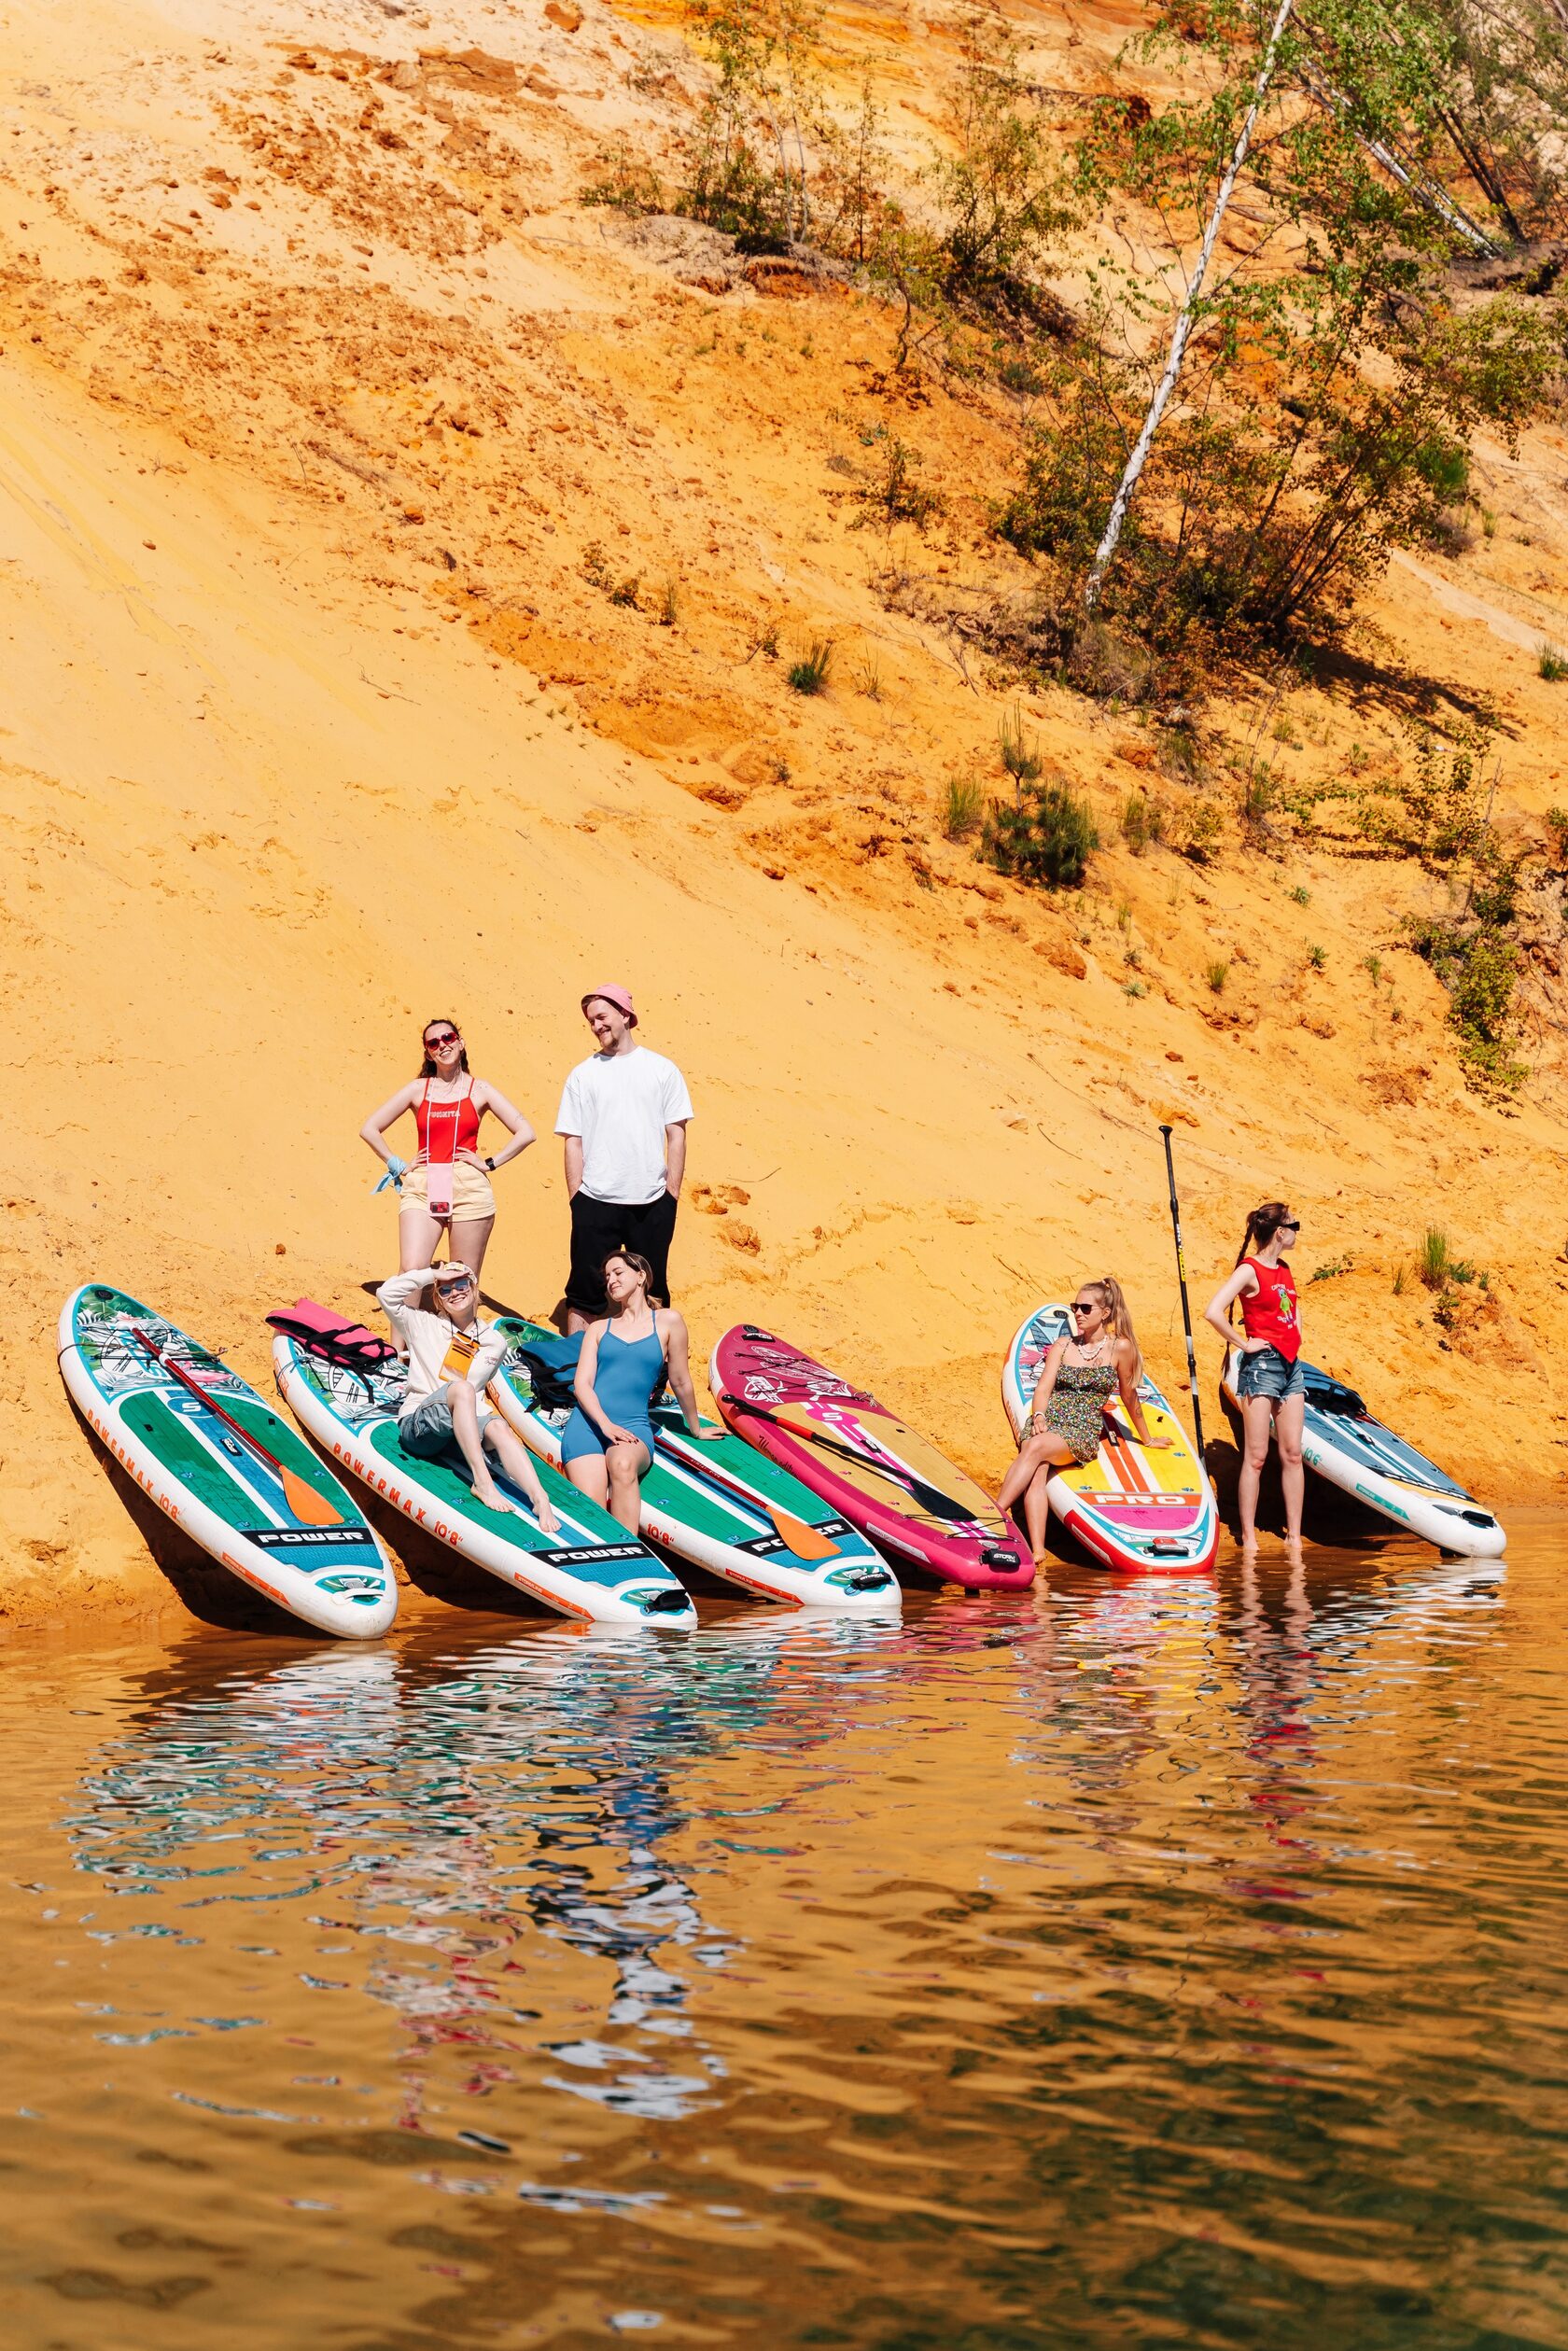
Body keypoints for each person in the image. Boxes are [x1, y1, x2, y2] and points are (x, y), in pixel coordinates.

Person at [997, 1278, 1168, 1564]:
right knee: (1037, 1468)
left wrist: (1147, 1438)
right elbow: (1043, 1388)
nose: (1077, 1313)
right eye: (1076, 1306)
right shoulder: (1063, 1345)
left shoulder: (1120, 1348)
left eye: (1085, 1308)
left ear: (1105, 1313)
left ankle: (995, 1514)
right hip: (1049, 1419)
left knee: (1036, 1449)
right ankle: (1038, 1551)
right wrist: (1038, 1415)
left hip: (1081, 1428)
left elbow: (1130, 1397)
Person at [377, 1260, 558, 1529]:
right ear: (438, 1300)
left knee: (497, 1425)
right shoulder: (420, 1324)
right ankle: (482, 1482)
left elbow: (474, 1388)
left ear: (475, 1289)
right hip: (420, 1425)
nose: (455, 1293)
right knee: (460, 1389)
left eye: (462, 1284)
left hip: (459, 1430)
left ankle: (540, 1499)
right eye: (445, 1290)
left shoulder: (492, 1341)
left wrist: (488, 1428)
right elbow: (386, 1294)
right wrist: (433, 1274)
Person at [555, 987, 693, 1332]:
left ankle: (651, 1372)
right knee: (584, 1292)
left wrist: (671, 1195)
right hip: (595, 1200)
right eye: (590, 1021)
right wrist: (577, 1198)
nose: (595, 1025)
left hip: (651, 1203)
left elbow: (676, 1134)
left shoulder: (662, 1069)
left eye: (602, 1016)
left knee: (652, 1291)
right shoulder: (583, 1074)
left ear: (625, 1015)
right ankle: (575, 1369)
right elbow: (573, 1139)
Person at [360, 1017, 537, 1281]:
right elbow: (370, 1128)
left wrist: (489, 1163)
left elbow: (526, 1132)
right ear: (428, 1053)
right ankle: (406, 1321)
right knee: (410, 1271)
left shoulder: (481, 1090)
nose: (442, 1045)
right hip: (424, 1183)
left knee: (462, 1278)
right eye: (433, 1043)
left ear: (460, 1043)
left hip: (468, 1186)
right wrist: (398, 1165)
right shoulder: (418, 1089)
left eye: (448, 1038)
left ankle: (455, 1322)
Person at [560, 1250, 720, 1531]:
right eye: (607, 1276)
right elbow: (582, 1385)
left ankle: (628, 1548)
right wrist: (605, 1424)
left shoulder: (669, 1321)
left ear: (641, 1276)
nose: (611, 1281)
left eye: (618, 1273)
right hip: (587, 1424)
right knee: (593, 1510)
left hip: (632, 1424)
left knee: (621, 1464)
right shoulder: (599, 1328)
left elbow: (680, 1380)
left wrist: (695, 1428)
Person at [1202, 1200, 1305, 1560]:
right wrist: (1244, 1343)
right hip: (1262, 1366)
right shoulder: (1250, 1269)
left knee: (1293, 1453)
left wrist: (1297, 1337)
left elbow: (1293, 1309)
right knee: (1257, 1455)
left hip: (1292, 1365)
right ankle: (1248, 1535)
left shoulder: (1286, 1268)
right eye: (1294, 1225)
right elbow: (1213, 1311)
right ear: (1280, 1231)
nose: (1296, 1231)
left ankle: (1294, 1535)